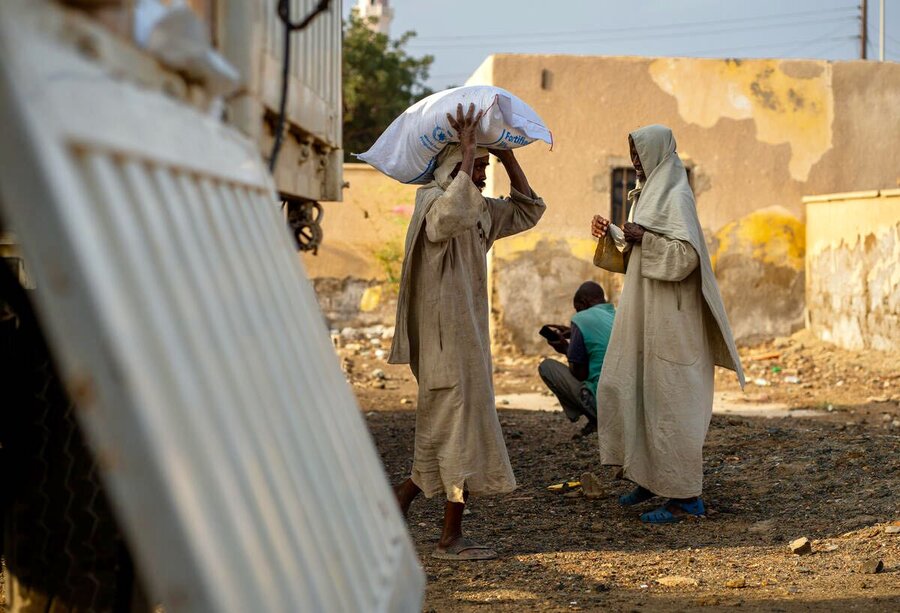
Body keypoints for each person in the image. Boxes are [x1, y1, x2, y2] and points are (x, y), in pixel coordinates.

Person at [389, 103, 547, 560]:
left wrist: (507, 156)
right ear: (456, 166)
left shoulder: (477, 209)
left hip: (468, 341)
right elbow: (446, 220)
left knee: (446, 432)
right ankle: (448, 538)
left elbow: (528, 210)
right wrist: (466, 148)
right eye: (475, 168)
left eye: (483, 168)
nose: (481, 176)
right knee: (458, 434)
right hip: (445, 343)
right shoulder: (434, 203)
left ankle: (395, 505)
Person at [590, 124, 745, 524]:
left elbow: (683, 258)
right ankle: (648, 478)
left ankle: (685, 498)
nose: (635, 161)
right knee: (632, 389)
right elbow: (640, 252)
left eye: (639, 153)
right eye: (632, 154)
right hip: (645, 316)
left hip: (673, 324)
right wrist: (614, 233)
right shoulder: (646, 197)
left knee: (671, 402)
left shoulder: (676, 196)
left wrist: (644, 238)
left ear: (657, 152)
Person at [538, 281, 615, 438]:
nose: (577, 312)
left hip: (604, 403)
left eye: (577, 308)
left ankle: (595, 419)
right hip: (626, 400)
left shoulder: (581, 318)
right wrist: (574, 334)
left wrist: (566, 349)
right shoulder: (618, 315)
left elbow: (580, 373)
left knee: (547, 367)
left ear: (583, 303)